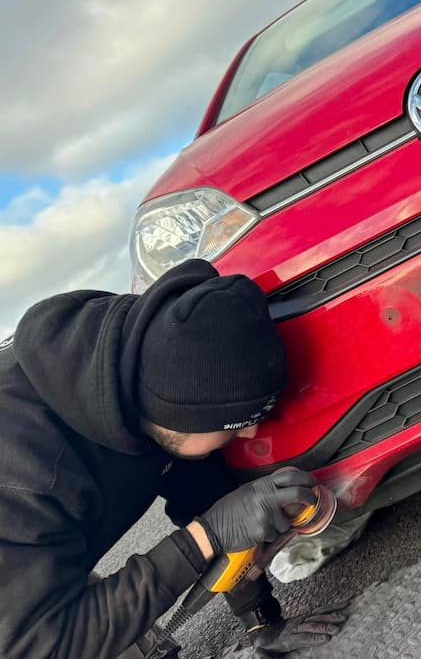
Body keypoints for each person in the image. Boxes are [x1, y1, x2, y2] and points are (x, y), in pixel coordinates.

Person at [0, 259, 350, 658]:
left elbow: (211, 500)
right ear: (176, 415)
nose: (251, 434)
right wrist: (208, 535)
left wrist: (261, 620)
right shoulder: (25, 473)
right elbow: (38, 643)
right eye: (236, 423)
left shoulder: (152, 365)